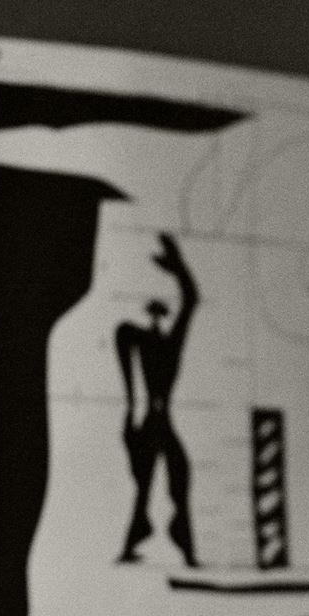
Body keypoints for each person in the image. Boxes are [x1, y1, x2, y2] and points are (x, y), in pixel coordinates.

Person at [116, 232, 199, 567]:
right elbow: (123, 335)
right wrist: (131, 407)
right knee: (151, 480)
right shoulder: (143, 341)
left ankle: (173, 537)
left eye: (159, 314)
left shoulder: (168, 344)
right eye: (153, 313)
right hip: (153, 418)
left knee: (173, 476)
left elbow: (191, 298)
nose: (156, 319)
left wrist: (178, 266)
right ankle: (148, 536)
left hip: (158, 419)